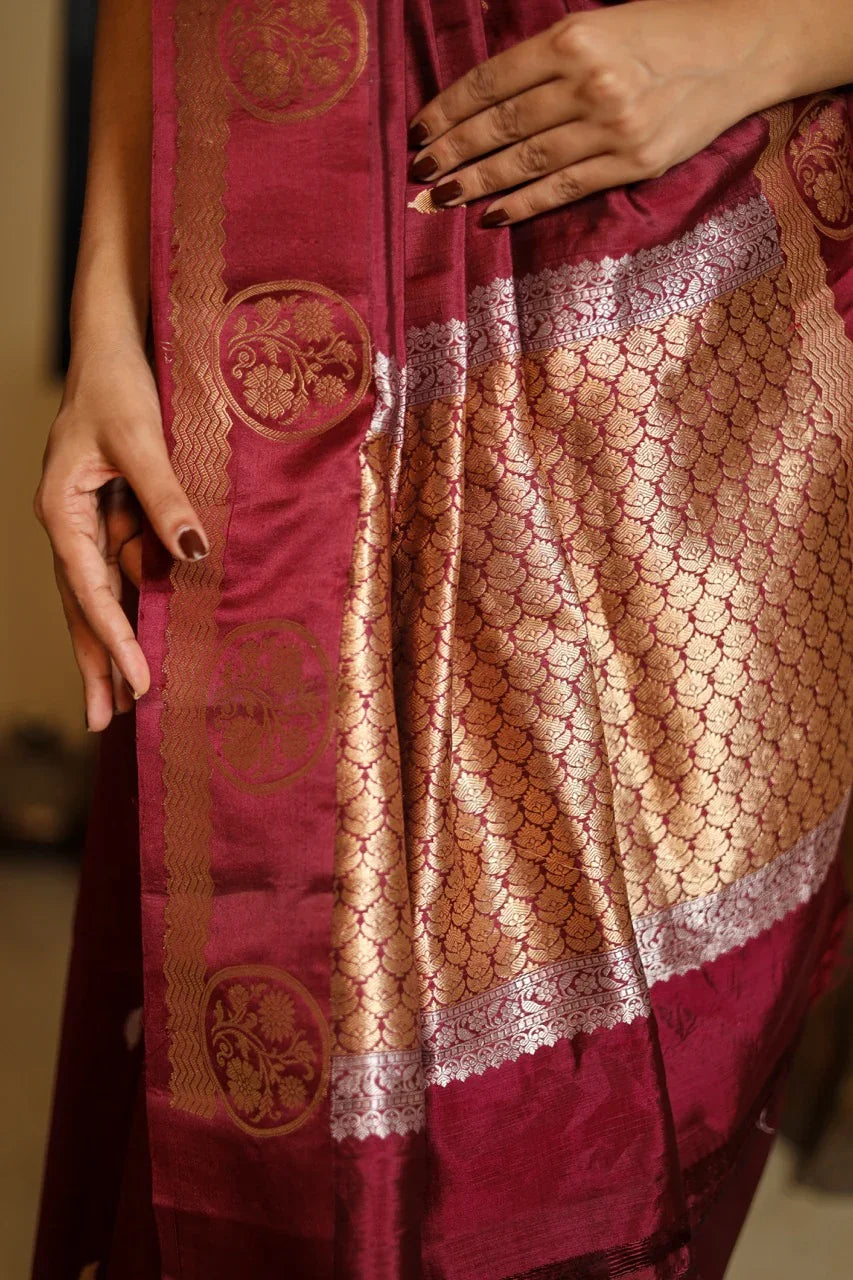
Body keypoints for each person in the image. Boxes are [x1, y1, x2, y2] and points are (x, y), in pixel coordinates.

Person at [31, 1, 853, 1276]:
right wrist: (109, 309)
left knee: (593, 1144)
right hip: (276, 321)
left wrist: (772, 41)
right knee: (268, 1061)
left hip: (677, 327)